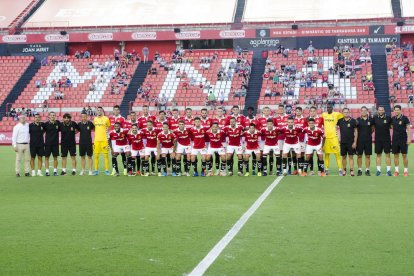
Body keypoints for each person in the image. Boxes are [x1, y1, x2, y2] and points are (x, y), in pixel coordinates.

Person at [321, 104, 343, 175]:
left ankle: (340, 169)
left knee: (337, 154)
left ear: (332, 108)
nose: (328, 108)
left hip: (334, 137)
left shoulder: (337, 114)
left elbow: (345, 116)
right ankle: (326, 169)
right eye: (327, 107)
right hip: (326, 138)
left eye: (330, 107)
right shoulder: (323, 114)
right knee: (327, 154)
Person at [391, 105, 411, 176]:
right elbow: (391, 127)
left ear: (400, 110)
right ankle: (396, 171)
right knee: (395, 155)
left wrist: (409, 138)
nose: (396, 111)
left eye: (397, 110)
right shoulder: (392, 118)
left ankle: (406, 171)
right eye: (395, 110)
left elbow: (409, 128)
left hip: (403, 139)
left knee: (404, 155)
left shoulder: (405, 118)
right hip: (395, 140)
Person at [337, 108, 358, 176]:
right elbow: (336, 128)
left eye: (347, 112)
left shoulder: (353, 121)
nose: (346, 113)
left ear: (349, 112)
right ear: (342, 113)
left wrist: (355, 142)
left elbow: (356, 131)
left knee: (351, 156)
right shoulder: (340, 121)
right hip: (342, 142)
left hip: (351, 142)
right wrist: (338, 137)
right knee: (343, 157)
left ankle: (351, 170)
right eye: (344, 112)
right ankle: (344, 170)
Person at [373, 106, 392, 176]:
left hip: (387, 140)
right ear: (377, 111)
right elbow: (372, 128)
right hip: (378, 140)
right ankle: (378, 171)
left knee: (388, 155)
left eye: (382, 110)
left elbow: (393, 126)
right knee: (378, 155)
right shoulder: (374, 118)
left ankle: (388, 171)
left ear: (384, 111)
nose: (381, 111)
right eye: (379, 110)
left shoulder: (388, 118)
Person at [356, 106, 374, 176]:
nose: (363, 112)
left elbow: (372, 129)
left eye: (365, 110)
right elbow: (356, 130)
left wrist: (367, 134)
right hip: (359, 141)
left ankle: (367, 170)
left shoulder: (371, 120)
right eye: (362, 110)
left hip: (368, 141)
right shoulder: (357, 120)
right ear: (360, 111)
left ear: (367, 111)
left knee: (367, 156)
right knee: (359, 156)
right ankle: (359, 170)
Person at [109, 105, 128, 176]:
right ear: (113, 111)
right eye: (115, 110)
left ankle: (125, 169)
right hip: (113, 139)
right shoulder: (110, 118)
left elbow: (123, 129)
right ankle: (114, 169)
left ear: (119, 111)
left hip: (120, 139)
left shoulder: (122, 118)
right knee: (113, 155)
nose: (116, 111)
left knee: (123, 154)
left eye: (117, 110)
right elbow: (109, 128)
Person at [93, 107, 111, 175]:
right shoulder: (95, 119)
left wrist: (106, 134)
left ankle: (106, 170)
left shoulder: (106, 119)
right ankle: (96, 170)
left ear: (102, 111)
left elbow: (109, 127)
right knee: (96, 156)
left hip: (104, 140)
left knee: (106, 156)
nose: (99, 111)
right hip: (96, 140)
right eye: (98, 110)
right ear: (96, 112)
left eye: (100, 110)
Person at [44, 112, 60, 176]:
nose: (52, 116)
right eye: (51, 115)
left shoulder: (58, 123)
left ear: (55, 116)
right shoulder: (46, 124)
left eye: (53, 115)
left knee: (55, 158)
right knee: (47, 158)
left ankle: (55, 171)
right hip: (48, 144)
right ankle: (47, 171)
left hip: (55, 144)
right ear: (49, 116)